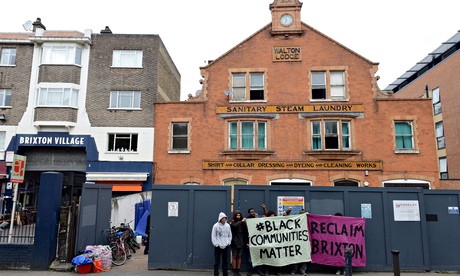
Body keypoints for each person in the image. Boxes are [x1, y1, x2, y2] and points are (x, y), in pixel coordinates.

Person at [212, 212, 232, 276]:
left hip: (225, 245)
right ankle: (216, 273)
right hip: (218, 246)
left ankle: (225, 273)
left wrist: (228, 242)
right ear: (220, 218)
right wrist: (215, 244)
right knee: (217, 261)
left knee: (225, 261)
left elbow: (230, 235)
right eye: (223, 218)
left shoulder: (228, 226)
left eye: (225, 218)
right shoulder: (215, 226)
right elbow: (213, 235)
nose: (224, 219)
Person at [290, 209, 308, 275]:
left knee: (304, 257)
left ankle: (302, 270)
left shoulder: (307, 220)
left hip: (304, 242)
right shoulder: (296, 220)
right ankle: (294, 270)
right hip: (296, 242)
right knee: (296, 258)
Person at [230, 210, 247, 276]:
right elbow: (234, 226)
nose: (238, 216)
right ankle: (234, 270)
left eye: (239, 215)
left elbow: (245, 232)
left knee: (239, 256)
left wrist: (246, 242)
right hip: (234, 241)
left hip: (241, 241)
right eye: (237, 215)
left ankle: (238, 270)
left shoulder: (243, 223)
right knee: (234, 256)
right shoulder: (233, 222)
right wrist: (242, 221)